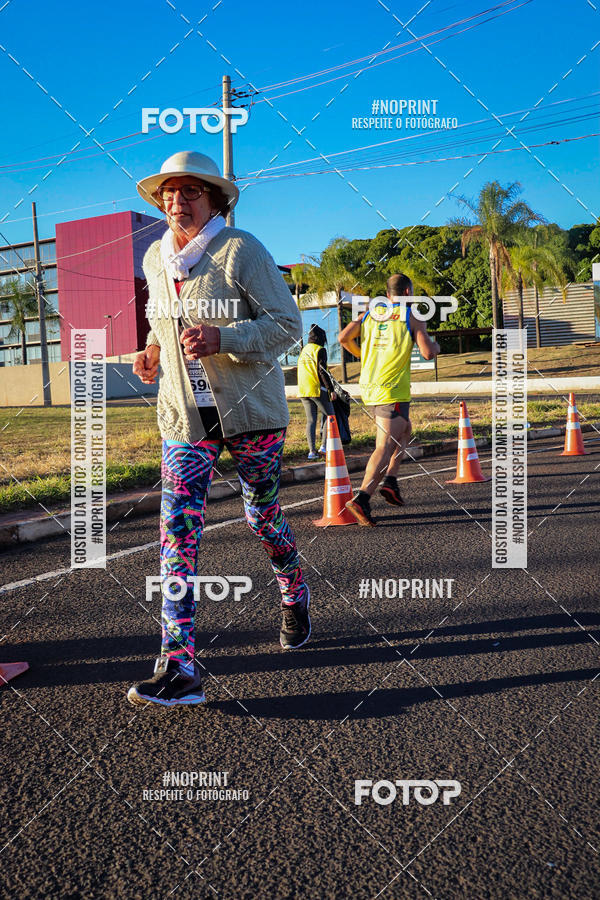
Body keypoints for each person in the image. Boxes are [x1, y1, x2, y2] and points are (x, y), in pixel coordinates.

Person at [128, 150, 311, 708]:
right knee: (177, 531)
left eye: (189, 192)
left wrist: (223, 339)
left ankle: (293, 588)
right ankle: (178, 665)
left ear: (213, 199)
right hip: (186, 417)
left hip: (250, 412)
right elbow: (163, 323)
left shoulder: (241, 249)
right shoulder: (156, 259)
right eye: (169, 193)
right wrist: (152, 350)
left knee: (262, 515)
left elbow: (287, 326)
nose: (176, 202)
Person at [338, 273, 440, 526]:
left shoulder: (372, 313)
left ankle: (391, 482)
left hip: (372, 385)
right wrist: (436, 346)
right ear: (407, 292)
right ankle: (361, 498)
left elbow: (343, 338)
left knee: (405, 431)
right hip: (391, 389)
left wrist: (365, 356)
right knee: (384, 446)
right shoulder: (412, 316)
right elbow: (427, 353)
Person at [297, 323, 335, 459]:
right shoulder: (320, 350)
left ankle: (312, 452)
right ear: (320, 338)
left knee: (311, 420)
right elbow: (322, 371)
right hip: (317, 389)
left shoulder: (304, 350)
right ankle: (324, 447)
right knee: (330, 416)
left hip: (303, 390)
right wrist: (331, 389)